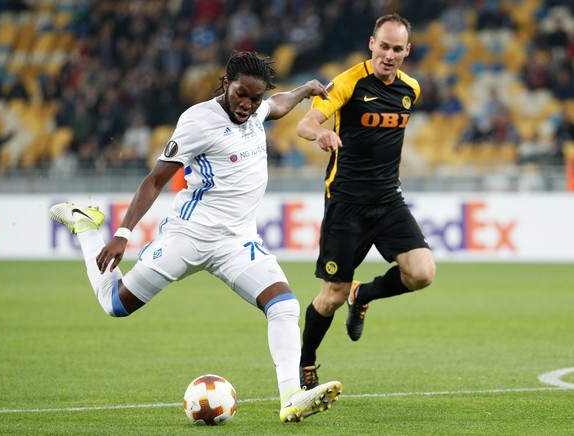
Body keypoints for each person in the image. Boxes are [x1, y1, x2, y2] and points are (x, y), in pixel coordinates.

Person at [50, 51, 342, 423]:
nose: (248, 105)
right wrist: (122, 233)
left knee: (284, 305)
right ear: (226, 83)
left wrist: (304, 90)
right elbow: (154, 180)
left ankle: (291, 397)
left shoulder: (255, 112)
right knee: (115, 305)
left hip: (237, 242)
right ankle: (85, 225)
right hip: (188, 237)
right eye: (242, 95)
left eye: (254, 98)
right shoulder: (198, 121)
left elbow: (277, 105)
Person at [295, 14, 436, 389]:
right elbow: (304, 124)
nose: (389, 55)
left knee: (422, 273)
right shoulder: (347, 82)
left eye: (397, 49)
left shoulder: (411, 89)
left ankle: (364, 294)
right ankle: (306, 365)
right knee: (331, 296)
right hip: (345, 203)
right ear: (371, 43)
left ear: (408, 51)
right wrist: (321, 134)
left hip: (388, 200)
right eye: (383, 46)